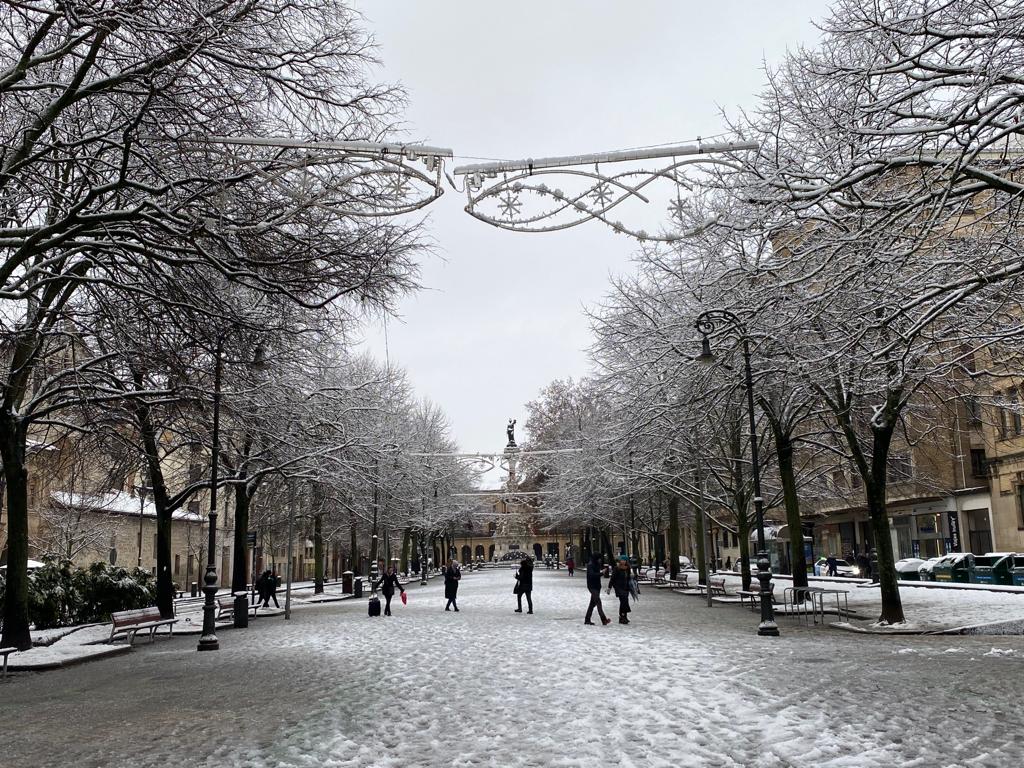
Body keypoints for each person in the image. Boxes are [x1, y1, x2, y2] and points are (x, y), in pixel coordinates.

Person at [584, 553, 611, 626]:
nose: (600, 560)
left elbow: (596, 574)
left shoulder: (596, 564)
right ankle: (604, 619)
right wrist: (601, 573)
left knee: (592, 604)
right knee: (598, 602)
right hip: (592, 586)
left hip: (597, 586)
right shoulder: (590, 565)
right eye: (599, 558)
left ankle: (587, 619)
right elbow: (592, 575)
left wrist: (601, 572)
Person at [608, 557, 633, 624]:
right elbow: (612, 578)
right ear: (620, 561)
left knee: (625, 602)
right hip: (619, 587)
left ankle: (624, 616)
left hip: (626, 587)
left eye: (624, 560)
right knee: (623, 601)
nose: (623, 561)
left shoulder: (627, 568)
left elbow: (629, 578)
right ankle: (622, 616)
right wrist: (609, 587)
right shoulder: (617, 568)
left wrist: (632, 576)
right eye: (622, 560)